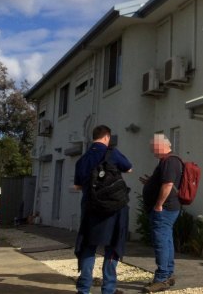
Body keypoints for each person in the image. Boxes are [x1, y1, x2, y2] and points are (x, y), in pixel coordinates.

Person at [74, 125, 132, 294]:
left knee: (88, 246)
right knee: (113, 247)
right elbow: (129, 167)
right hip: (115, 209)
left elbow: (77, 186)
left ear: (94, 138)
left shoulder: (82, 160)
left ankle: (84, 289)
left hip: (91, 209)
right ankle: (108, 289)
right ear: (107, 137)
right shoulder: (112, 153)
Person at [140, 134, 182, 293]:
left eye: (154, 147)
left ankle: (161, 278)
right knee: (167, 240)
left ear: (163, 146)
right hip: (168, 209)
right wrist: (150, 183)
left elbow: (168, 184)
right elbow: (163, 183)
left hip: (164, 210)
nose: (153, 150)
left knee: (161, 243)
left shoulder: (170, 161)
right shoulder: (168, 161)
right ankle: (168, 274)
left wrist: (158, 204)